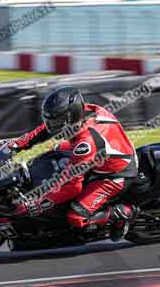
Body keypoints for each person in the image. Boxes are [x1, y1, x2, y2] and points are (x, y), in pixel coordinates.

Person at [8, 86, 138, 241]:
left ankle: (123, 212)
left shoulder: (86, 143)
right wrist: (19, 144)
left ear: (71, 117)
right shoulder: (86, 111)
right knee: (51, 152)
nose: (52, 126)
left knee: (75, 216)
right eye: (52, 121)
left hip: (115, 175)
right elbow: (46, 128)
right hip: (103, 155)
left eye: (57, 122)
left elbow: (72, 187)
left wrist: (41, 203)